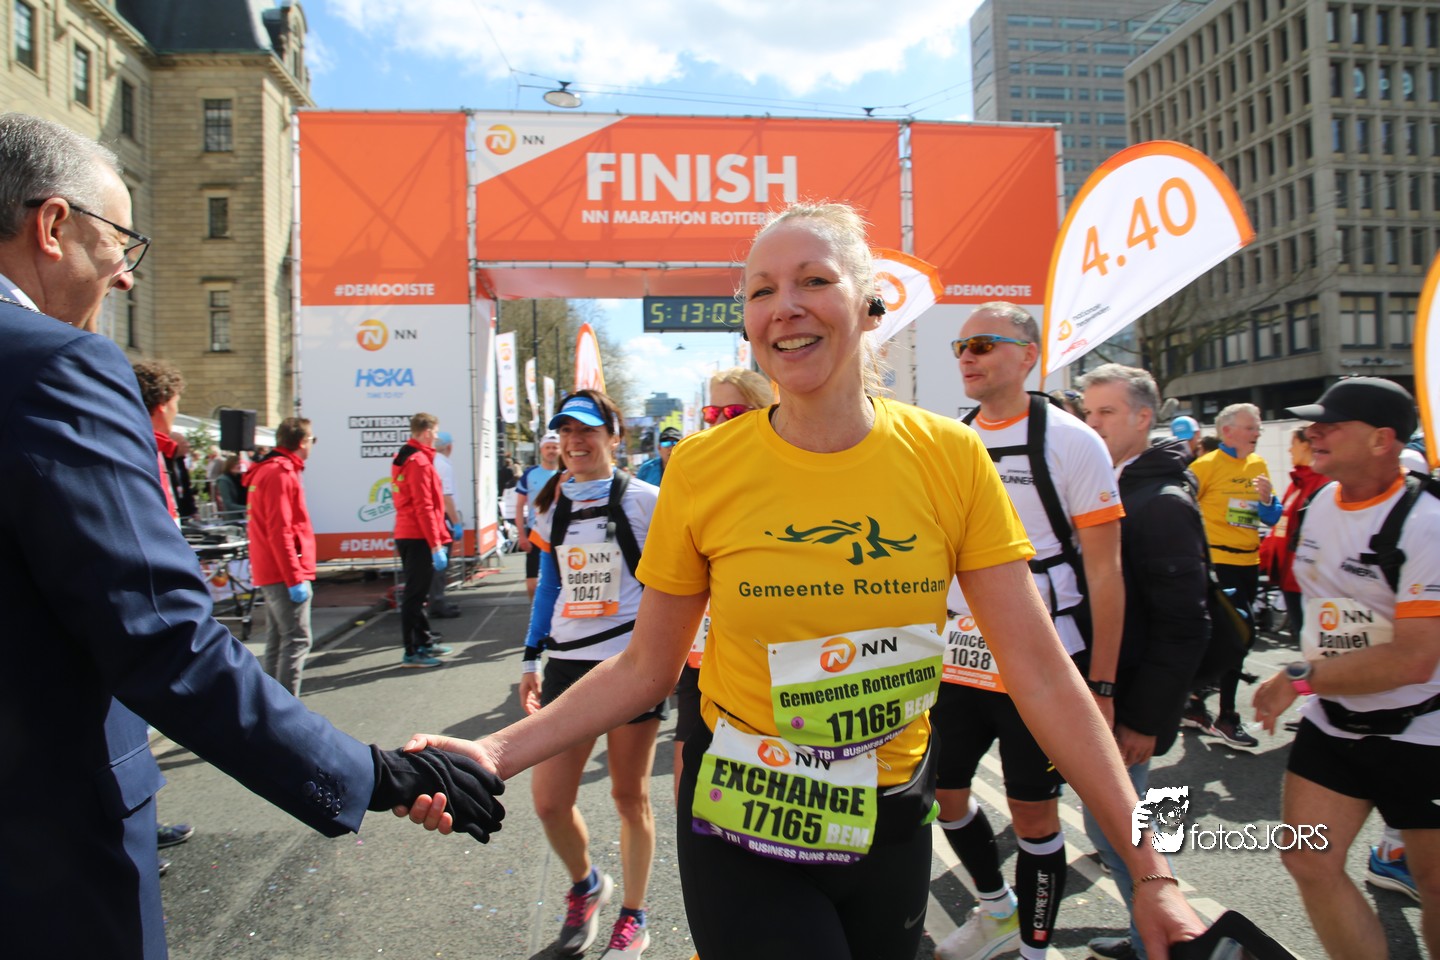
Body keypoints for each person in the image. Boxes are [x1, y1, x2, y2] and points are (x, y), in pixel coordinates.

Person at [399, 202, 1203, 960]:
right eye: (760, 291)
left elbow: (1041, 672)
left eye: (814, 280)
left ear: (869, 304)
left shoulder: (951, 457)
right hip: (745, 818)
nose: (784, 306)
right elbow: (646, 666)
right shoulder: (703, 469)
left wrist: (1153, 876)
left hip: (890, 814)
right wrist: (495, 751)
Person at [0, 111, 504, 960]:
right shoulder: (57, 363)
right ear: (52, 225)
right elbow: (161, 637)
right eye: (120, 241)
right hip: (41, 854)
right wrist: (375, 773)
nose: (126, 276)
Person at [932, 301, 1125, 960]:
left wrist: (1102, 685)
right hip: (959, 658)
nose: (967, 356)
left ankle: (1037, 951)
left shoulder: (1072, 441)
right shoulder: (950, 440)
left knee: (1034, 814)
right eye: (961, 347)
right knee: (944, 795)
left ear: (1028, 356)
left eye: (983, 344)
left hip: (1044, 660)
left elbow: (1106, 573)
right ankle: (997, 912)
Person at [1251, 377, 1440, 960]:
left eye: (1330, 425)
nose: (1313, 433)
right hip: (1336, 721)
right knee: (1307, 860)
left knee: (1436, 885)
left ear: (1382, 440)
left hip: (1423, 730)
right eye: (1313, 423)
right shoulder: (1316, 505)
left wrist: (1299, 678)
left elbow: (1414, 658)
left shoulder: (1427, 521)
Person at [519, 390, 663, 958]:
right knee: (549, 801)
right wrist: (530, 658)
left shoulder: (647, 501)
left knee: (629, 796)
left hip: (630, 663)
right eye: (565, 432)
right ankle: (587, 885)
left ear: (613, 437)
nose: (574, 442)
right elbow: (549, 586)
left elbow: (675, 582)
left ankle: (634, 915)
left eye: (587, 431)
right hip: (566, 664)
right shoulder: (550, 503)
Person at [1079, 364, 1212, 960]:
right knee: (1111, 829)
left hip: (1129, 704)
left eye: (1106, 413)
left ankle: (1163, 941)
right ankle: (1146, 937)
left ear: (1142, 417)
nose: (1093, 424)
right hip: (1106, 695)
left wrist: (1146, 720)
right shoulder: (1111, 485)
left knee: (1126, 836)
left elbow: (1185, 626)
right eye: (1088, 413)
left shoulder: (1159, 503)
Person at [672, 367, 776, 798]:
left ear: (765, 410)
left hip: (776, 672)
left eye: (731, 411)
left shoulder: (791, 478)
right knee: (688, 792)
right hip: (703, 661)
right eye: (712, 412)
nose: (718, 422)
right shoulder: (697, 481)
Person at [1185, 403, 1282, 749]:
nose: (1258, 433)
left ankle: (1195, 701)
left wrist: (1268, 502)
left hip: (1249, 563)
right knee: (1235, 638)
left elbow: (1271, 517)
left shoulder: (1258, 465)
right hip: (1217, 565)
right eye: (1251, 427)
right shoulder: (1205, 465)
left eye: (1257, 427)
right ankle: (1226, 715)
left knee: (1232, 638)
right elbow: (1179, 508)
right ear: (1227, 431)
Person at [245, 417, 318, 696]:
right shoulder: (281, 472)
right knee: (296, 641)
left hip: (271, 568)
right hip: (283, 571)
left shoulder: (268, 469)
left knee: (279, 640)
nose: (312, 445)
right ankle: (286, 711)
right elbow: (281, 530)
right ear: (302, 441)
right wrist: (294, 577)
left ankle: (271, 707)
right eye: (311, 440)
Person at [392, 412, 454, 667]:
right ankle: (412, 651)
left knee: (418, 594)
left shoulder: (406, 456)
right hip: (417, 536)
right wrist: (435, 544)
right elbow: (424, 506)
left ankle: (424, 641)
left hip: (410, 533)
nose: (436, 437)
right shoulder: (418, 462)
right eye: (435, 432)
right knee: (415, 596)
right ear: (427, 432)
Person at [1258, 426, 1329, 648]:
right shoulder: (1297, 483)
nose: (1289, 450)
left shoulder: (1323, 483)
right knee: (1304, 642)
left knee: (1316, 645)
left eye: (1293, 444)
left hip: (1309, 580)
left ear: (1307, 445)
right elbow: (1281, 527)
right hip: (1290, 577)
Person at [132, 358, 186, 523]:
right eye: (175, 403)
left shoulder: (152, 446)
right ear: (163, 404)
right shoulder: (140, 450)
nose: (176, 411)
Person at [516, 430, 563, 599]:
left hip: (561, 532)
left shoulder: (567, 474)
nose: (551, 451)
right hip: (535, 532)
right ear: (541, 449)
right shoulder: (530, 474)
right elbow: (519, 506)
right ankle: (533, 610)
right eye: (548, 447)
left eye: (555, 447)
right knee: (532, 580)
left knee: (562, 579)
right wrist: (522, 535)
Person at [428, 430, 463, 618]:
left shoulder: (432, 462)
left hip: (436, 516)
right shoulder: (443, 465)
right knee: (440, 563)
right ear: (449, 447)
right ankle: (437, 602)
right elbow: (446, 497)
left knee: (435, 563)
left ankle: (436, 600)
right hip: (444, 518)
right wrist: (456, 523)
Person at [216, 453, 248, 519]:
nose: (239, 466)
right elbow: (228, 504)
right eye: (237, 464)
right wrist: (248, 508)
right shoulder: (223, 480)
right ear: (230, 465)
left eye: (240, 463)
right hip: (233, 517)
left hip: (245, 515)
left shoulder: (241, 478)